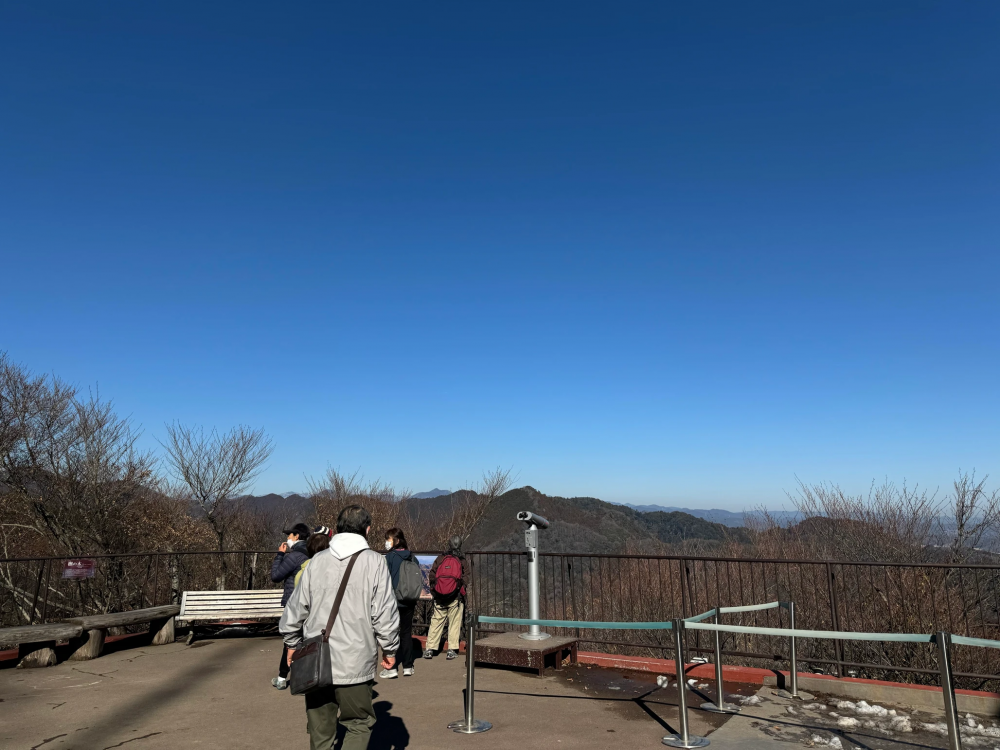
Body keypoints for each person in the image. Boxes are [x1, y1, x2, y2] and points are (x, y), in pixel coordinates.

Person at [280, 505, 399, 750]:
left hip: (315, 659)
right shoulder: (376, 563)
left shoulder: (317, 561)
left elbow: (296, 607)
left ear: (339, 528)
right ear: (367, 530)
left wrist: (291, 643)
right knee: (358, 724)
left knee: (320, 731)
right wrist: (389, 649)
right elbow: (384, 612)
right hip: (355, 660)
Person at [270, 522, 311, 690]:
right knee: (307, 640)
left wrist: (280, 555)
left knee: (290, 641)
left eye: (290, 535)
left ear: (297, 537)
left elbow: (276, 576)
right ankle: (307, 677)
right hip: (310, 603)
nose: (288, 538)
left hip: (293, 604)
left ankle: (282, 677)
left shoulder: (293, 556)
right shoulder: (313, 554)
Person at [424, 535, 466, 660]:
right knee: (454, 622)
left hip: (439, 596)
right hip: (455, 597)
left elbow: (432, 573)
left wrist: (435, 589)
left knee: (436, 621)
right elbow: (466, 578)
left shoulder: (441, 558)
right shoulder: (462, 560)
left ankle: (430, 649)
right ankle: (452, 650)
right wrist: (460, 589)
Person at [381, 527, 415, 678]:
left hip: (393, 600)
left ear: (396, 540)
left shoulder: (390, 557)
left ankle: (392, 668)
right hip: (409, 599)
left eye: (388, 539)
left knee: (391, 633)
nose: (387, 542)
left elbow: (383, 579)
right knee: (406, 633)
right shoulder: (412, 557)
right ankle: (408, 666)